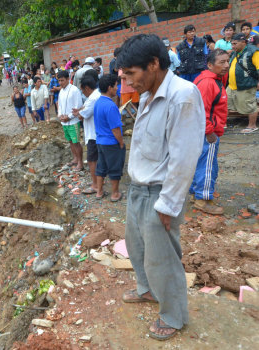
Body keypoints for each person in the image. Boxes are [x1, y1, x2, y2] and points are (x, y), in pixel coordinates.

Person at [117, 34, 205, 341]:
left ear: (154, 64)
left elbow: (184, 157)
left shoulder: (183, 96)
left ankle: (173, 315)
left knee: (162, 258)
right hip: (139, 187)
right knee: (137, 247)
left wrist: (169, 204)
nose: (127, 82)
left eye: (131, 74)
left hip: (159, 193)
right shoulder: (147, 94)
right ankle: (148, 291)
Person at [190, 49, 229, 215]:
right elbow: (201, 110)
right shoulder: (208, 83)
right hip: (207, 132)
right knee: (208, 165)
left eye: (227, 61)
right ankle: (203, 199)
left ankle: (196, 193)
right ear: (210, 65)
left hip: (203, 130)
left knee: (199, 163)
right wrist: (209, 131)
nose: (226, 65)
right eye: (222, 62)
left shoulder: (211, 79)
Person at [93, 74, 125, 201]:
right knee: (115, 168)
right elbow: (115, 128)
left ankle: (99, 192)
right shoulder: (111, 106)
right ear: (109, 87)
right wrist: (121, 143)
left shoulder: (98, 102)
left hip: (100, 141)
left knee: (101, 167)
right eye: (116, 86)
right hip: (111, 142)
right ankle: (115, 194)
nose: (117, 88)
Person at [74, 75, 102, 195]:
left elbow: (82, 115)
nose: (83, 93)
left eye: (82, 90)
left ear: (86, 88)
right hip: (97, 132)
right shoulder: (97, 95)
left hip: (93, 135)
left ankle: (96, 185)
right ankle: (98, 182)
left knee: (92, 160)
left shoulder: (92, 99)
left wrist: (78, 112)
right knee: (96, 159)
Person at [227, 32, 259, 133]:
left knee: (250, 106)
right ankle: (222, 124)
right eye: (232, 44)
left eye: (235, 44)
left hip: (247, 84)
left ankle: (252, 126)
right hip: (232, 86)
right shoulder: (236, 51)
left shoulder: (253, 51)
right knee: (224, 104)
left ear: (243, 42)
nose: (233, 46)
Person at [57, 70, 84, 170]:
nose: (60, 83)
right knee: (71, 141)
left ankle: (80, 163)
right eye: (59, 80)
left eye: (62, 80)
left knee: (76, 142)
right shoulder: (61, 91)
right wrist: (60, 116)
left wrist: (69, 117)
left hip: (73, 121)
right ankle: (75, 159)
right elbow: (59, 105)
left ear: (68, 79)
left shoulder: (74, 90)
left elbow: (79, 106)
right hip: (64, 122)